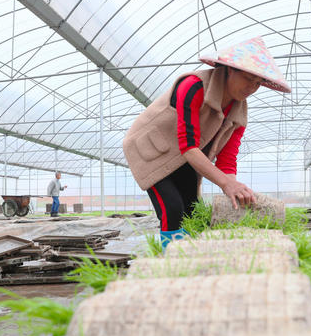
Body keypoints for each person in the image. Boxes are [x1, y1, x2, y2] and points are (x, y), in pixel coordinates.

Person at [123, 37, 291, 248]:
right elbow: (188, 146)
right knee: (172, 207)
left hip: (185, 157)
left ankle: (191, 255)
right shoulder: (193, 87)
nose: (252, 88)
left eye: (258, 83)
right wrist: (226, 183)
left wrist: (233, 188)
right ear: (230, 70)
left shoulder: (239, 113)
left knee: (192, 209)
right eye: (248, 79)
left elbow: (227, 161)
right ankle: (172, 263)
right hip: (150, 150)